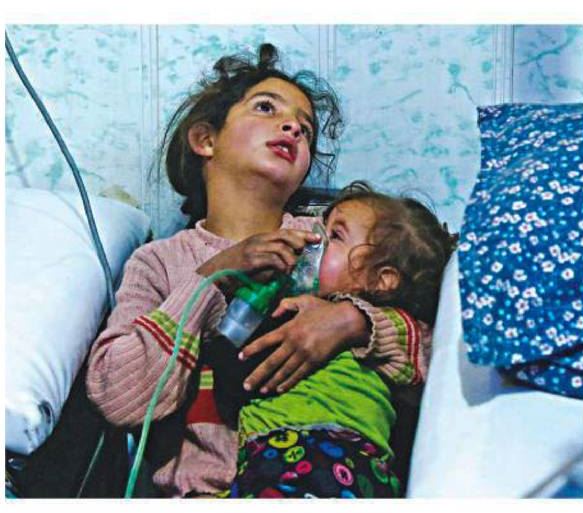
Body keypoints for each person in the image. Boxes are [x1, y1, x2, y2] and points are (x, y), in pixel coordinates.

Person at [86, 44, 428, 498]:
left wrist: (353, 322)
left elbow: (437, 352)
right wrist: (211, 278)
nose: (293, 127)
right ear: (206, 140)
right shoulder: (159, 263)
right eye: (266, 108)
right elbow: (118, 396)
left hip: (334, 481)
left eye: (306, 129)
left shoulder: (330, 245)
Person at [205, 182, 456, 498]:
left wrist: (356, 319)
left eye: (335, 235)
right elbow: (233, 376)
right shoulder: (287, 308)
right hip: (272, 460)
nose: (313, 240)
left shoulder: (388, 332)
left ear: (382, 279)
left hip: (328, 455)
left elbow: (433, 356)